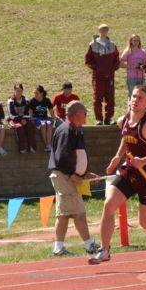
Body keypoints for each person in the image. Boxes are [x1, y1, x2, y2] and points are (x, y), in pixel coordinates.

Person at [90, 85, 146, 265]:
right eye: (133, 96)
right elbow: (126, 138)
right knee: (109, 204)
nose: (135, 100)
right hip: (129, 170)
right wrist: (118, 156)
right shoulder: (123, 120)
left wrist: (145, 160)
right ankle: (104, 250)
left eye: (140, 97)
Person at [48, 101, 103, 257]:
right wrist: (73, 174)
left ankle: (59, 247)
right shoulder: (66, 130)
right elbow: (61, 157)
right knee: (78, 212)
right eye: (85, 113)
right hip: (65, 176)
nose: (86, 116)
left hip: (67, 176)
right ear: (77, 113)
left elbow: (74, 157)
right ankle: (89, 245)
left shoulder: (74, 130)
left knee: (65, 214)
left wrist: (84, 174)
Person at [85, 24, 120, 126]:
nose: (104, 32)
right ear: (99, 31)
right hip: (98, 76)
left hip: (110, 76)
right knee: (97, 98)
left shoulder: (112, 45)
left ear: (107, 31)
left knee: (110, 98)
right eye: (102, 30)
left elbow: (116, 59)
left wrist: (113, 68)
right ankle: (99, 119)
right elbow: (88, 60)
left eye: (105, 30)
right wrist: (97, 68)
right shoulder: (92, 45)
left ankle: (109, 118)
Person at [7, 83, 37, 154]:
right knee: (20, 127)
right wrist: (21, 119)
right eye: (17, 91)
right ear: (14, 91)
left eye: (20, 91)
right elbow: (11, 115)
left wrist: (25, 119)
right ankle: (22, 148)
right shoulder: (10, 101)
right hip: (14, 119)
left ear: (22, 91)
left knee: (30, 126)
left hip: (24, 118)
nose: (19, 93)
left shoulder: (26, 100)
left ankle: (32, 147)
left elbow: (27, 113)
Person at [120, 34, 146, 101]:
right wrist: (132, 66)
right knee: (132, 94)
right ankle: (130, 110)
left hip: (141, 77)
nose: (136, 42)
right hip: (131, 77)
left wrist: (142, 66)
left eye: (137, 40)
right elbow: (121, 64)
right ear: (131, 41)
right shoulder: (128, 51)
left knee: (141, 94)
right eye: (134, 40)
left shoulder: (143, 51)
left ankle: (140, 110)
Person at [29, 85, 54, 152]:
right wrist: (31, 118)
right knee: (43, 125)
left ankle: (48, 145)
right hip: (36, 118)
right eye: (34, 93)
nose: (35, 94)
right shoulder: (32, 101)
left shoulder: (46, 100)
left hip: (45, 117)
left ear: (41, 93)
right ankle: (47, 144)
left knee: (49, 124)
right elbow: (30, 111)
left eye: (36, 93)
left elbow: (51, 110)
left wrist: (52, 118)